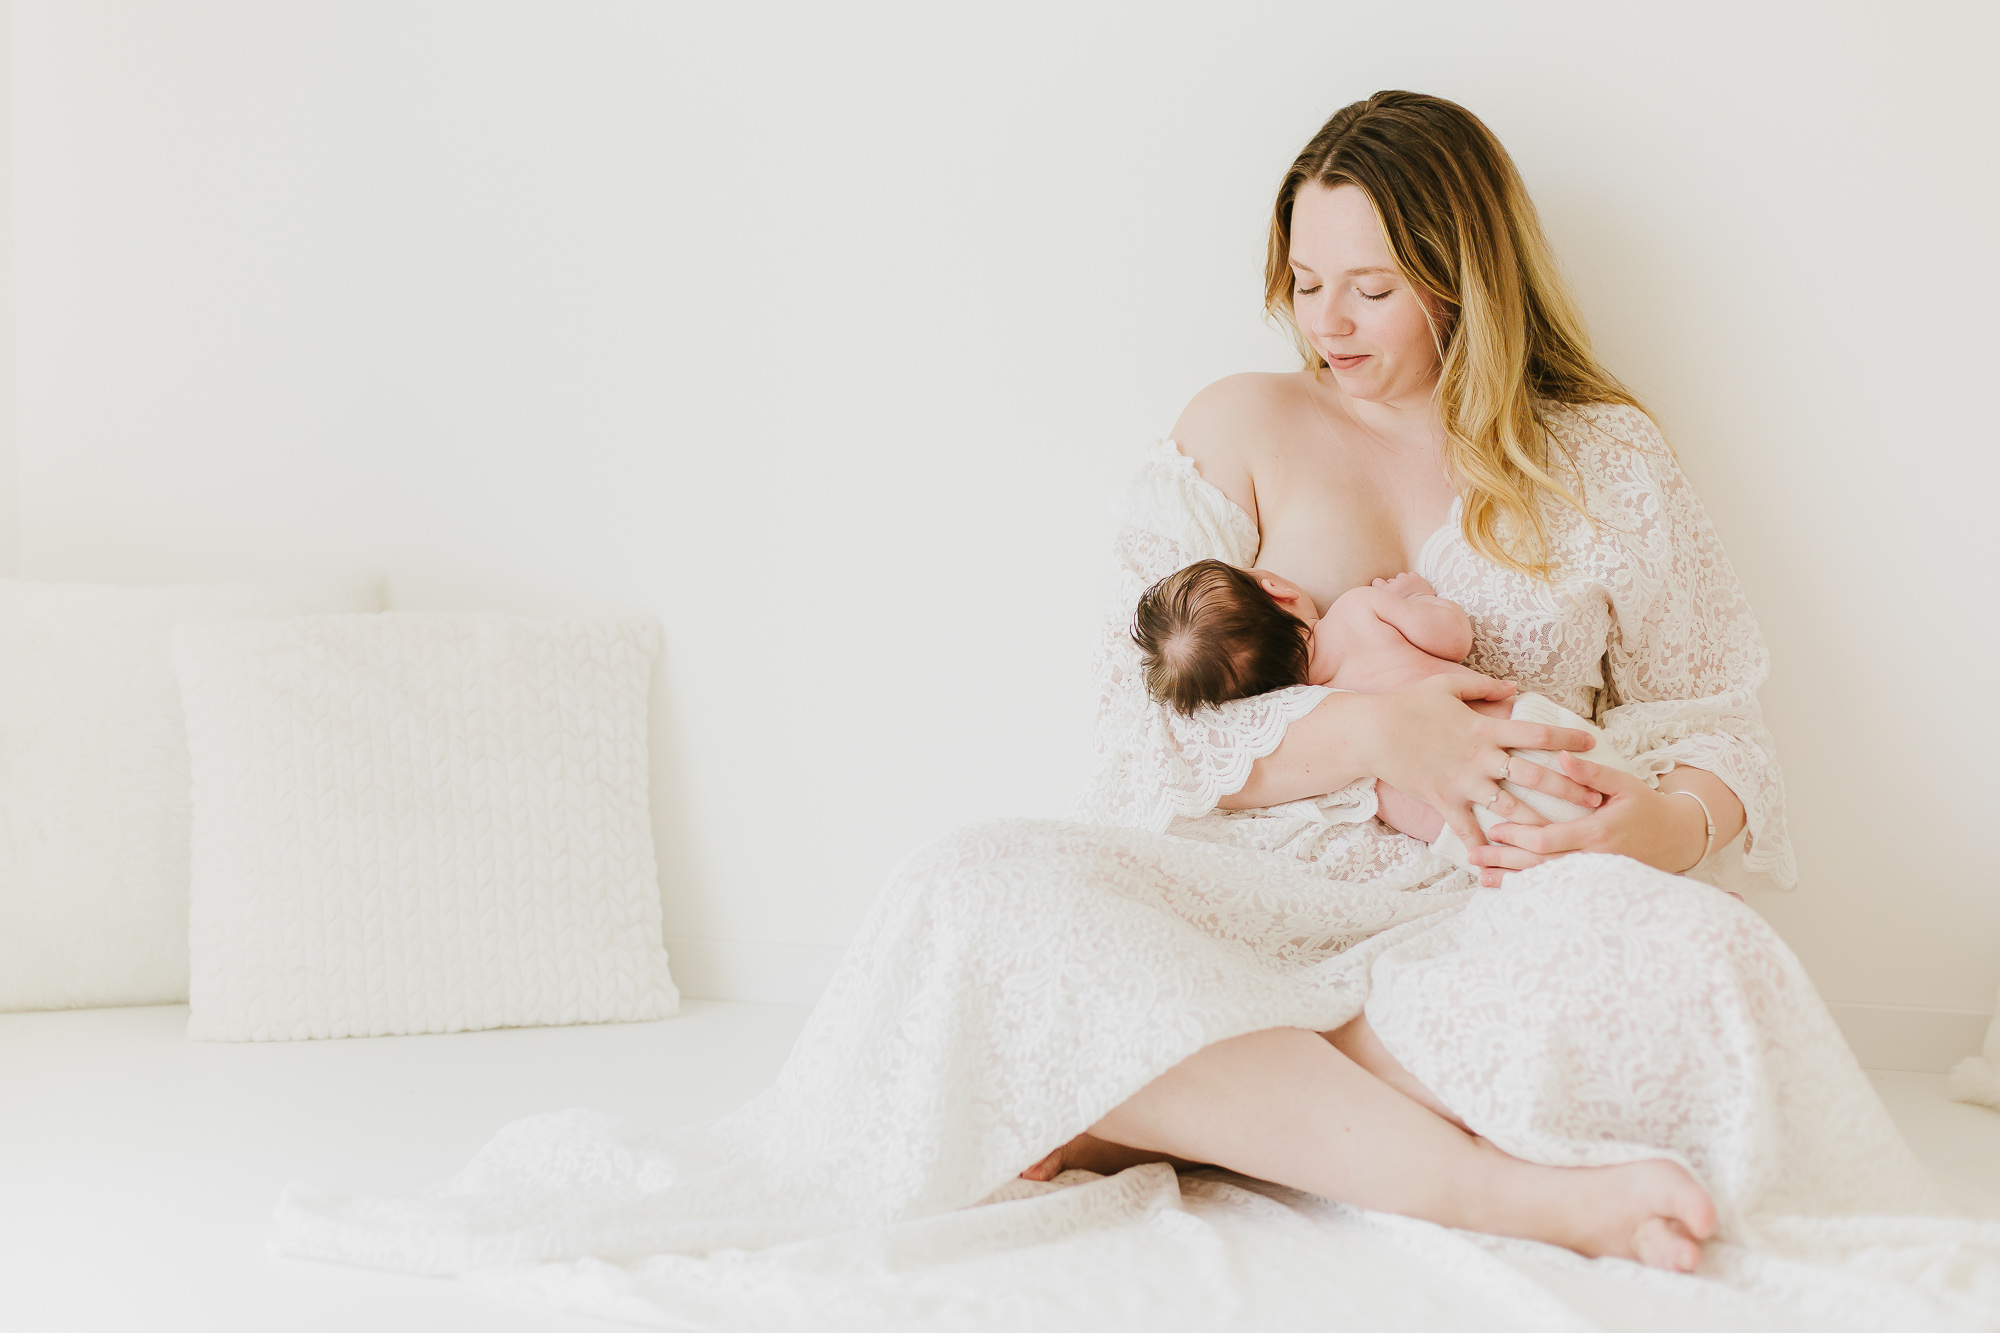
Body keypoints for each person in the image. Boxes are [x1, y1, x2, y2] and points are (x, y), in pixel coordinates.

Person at [278, 91, 1970, 1320]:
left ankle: (1162, 1093)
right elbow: (1135, 725)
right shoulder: (1240, 424)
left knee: (1683, 957)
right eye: (1305, 282)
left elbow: (1720, 711)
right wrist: (1380, 733)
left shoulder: (1604, 457)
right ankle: (1473, 1173)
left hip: (1488, 903)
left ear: (1467, 271)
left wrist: (1652, 826)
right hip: (1247, 887)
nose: (1329, 323)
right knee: (978, 886)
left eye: (1370, 286)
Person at [1127, 558, 1652, 867]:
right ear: (1276, 590)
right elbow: (1453, 637)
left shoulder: (1314, 719)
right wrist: (1417, 597)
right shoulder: (1358, 610)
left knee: (1561, 865)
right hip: (1527, 736)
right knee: (1622, 807)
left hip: (1467, 823)